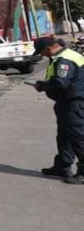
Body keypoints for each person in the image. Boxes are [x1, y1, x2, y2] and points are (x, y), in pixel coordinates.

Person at [32, 36, 84, 184]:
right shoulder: (64, 55)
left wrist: (43, 86)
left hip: (74, 103)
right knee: (64, 136)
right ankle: (62, 166)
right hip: (66, 102)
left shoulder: (64, 60)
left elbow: (60, 82)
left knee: (78, 138)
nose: (43, 55)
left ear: (48, 48)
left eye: (42, 52)